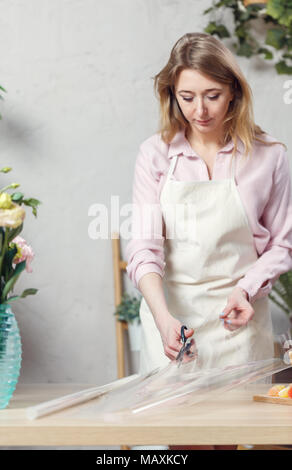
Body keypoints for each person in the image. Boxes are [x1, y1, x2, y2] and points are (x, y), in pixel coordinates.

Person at [125, 32, 292, 450]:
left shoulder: (269, 155)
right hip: (173, 320)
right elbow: (144, 248)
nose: (199, 110)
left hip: (239, 318)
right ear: (172, 96)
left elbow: (284, 243)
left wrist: (246, 289)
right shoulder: (155, 155)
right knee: (184, 444)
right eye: (187, 97)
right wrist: (163, 318)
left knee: (233, 439)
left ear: (234, 91)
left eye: (212, 95)